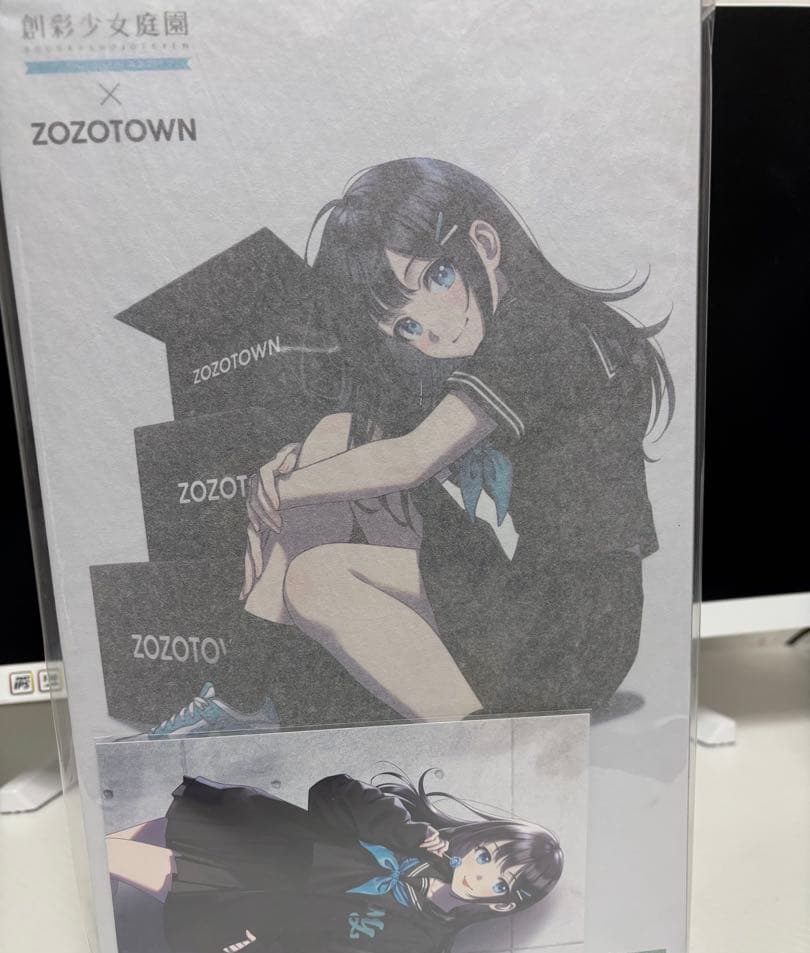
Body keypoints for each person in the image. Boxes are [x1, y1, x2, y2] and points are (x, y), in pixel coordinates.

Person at [150, 157, 673, 736]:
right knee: (337, 435)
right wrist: (289, 477)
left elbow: (411, 457)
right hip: (528, 594)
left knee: (314, 579)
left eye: (437, 279)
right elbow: (377, 442)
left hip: (576, 631)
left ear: (484, 243)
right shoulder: (499, 343)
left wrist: (275, 492)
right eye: (405, 328)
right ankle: (240, 694)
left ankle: (480, 740)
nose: (433, 330)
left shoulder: (540, 329)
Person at [106, 768, 563, 953]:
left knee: (114, 857)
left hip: (248, 901)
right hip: (257, 836)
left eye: (498, 884)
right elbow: (330, 791)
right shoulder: (420, 836)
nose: (478, 874)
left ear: (502, 904)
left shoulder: (415, 936)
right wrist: (403, 831)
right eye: (484, 856)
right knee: (123, 844)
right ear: (476, 840)